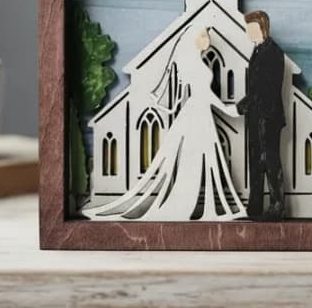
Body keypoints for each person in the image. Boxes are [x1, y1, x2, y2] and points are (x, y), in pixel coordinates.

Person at [83, 28, 246, 222]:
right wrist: (227, 109)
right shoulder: (192, 64)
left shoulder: (197, 62)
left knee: (202, 159)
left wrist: (228, 109)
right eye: (203, 35)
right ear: (193, 39)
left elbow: (206, 94)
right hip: (197, 114)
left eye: (207, 36)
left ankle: (187, 203)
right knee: (192, 160)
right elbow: (203, 94)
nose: (207, 39)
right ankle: (183, 205)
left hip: (200, 112)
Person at [236, 10, 286, 221]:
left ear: (262, 28)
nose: (248, 32)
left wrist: (245, 103)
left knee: (269, 161)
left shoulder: (272, 52)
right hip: (256, 117)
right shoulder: (258, 51)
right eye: (247, 28)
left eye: (251, 28)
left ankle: (277, 206)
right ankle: (255, 205)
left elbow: (266, 89)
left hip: (268, 117)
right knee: (256, 161)